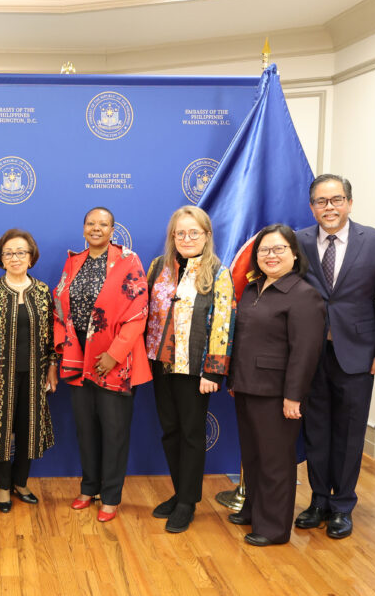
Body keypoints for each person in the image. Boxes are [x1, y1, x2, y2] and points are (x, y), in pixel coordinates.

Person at [294, 174, 375, 539]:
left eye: (336, 199)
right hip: (310, 354)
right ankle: (319, 500)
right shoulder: (298, 241)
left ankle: (343, 506)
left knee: (350, 433)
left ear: (349, 203)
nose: (330, 207)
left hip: (358, 355)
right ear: (312, 207)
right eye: (322, 201)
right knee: (316, 430)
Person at [227, 224, 325, 547]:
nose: (271, 256)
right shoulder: (253, 290)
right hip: (246, 386)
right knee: (253, 455)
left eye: (279, 249)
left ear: (294, 254)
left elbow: (305, 352)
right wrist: (234, 379)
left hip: (277, 392)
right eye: (265, 250)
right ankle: (254, 509)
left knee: (275, 461)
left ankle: (274, 528)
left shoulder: (303, 295)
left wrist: (293, 396)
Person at [53, 206, 150, 523]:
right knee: (86, 430)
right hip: (79, 359)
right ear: (83, 229)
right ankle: (89, 487)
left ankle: (110, 496)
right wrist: (62, 344)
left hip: (114, 362)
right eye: (91, 223)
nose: (96, 228)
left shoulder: (128, 262)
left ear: (113, 230)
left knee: (114, 432)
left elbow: (138, 312)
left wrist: (115, 354)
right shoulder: (73, 262)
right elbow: (59, 305)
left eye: (103, 224)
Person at [144, 206, 235, 533]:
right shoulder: (158, 267)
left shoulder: (218, 273)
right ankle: (179, 491)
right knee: (169, 430)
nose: (186, 238)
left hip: (194, 367)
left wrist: (213, 371)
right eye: (180, 233)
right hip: (159, 361)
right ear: (172, 236)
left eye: (193, 232)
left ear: (206, 235)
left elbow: (224, 324)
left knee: (192, 434)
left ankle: (188, 502)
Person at [0, 229, 57, 512]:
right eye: (8, 253)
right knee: (1, 433)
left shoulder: (42, 291)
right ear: (1, 259)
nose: (15, 258)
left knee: (28, 430)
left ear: (31, 257)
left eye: (21, 252)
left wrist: (52, 369)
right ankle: (3, 488)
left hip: (34, 377)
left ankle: (21, 483)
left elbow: (52, 337)